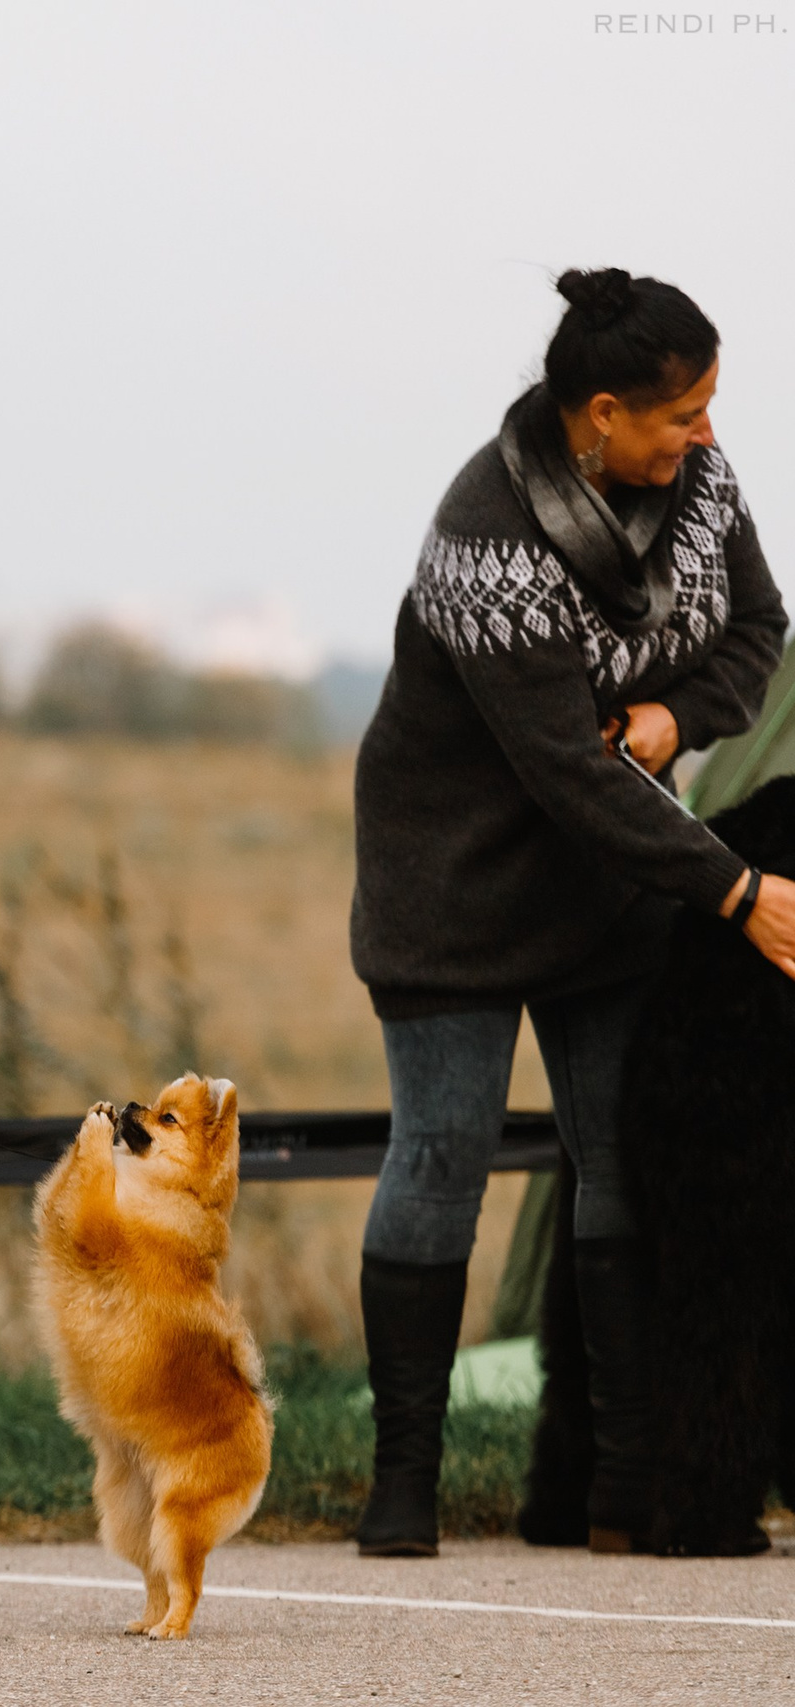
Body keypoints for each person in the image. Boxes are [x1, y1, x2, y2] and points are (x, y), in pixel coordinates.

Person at [348, 269, 793, 1557]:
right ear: (600, 413)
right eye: (680, 416)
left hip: (614, 879)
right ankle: (402, 1487)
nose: (704, 435)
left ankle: (623, 1487)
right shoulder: (487, 532)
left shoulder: (701, 486)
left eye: (710, 409)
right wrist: (740, 889)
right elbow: (563, 770)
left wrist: (680, 713)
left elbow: (759, 627)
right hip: (459, 886)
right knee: (439, 1159)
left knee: (618, 1161)